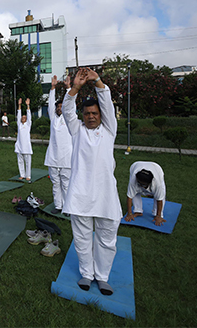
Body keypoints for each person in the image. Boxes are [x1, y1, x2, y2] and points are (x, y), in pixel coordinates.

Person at [62, 67, 122, 296]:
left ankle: (103, 277)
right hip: (81, 195)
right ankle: (87, 273)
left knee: (108, 239)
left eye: (94, 113)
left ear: (100, 114)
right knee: (82, 237)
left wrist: (96, 80)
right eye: (87, 113)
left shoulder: (109, 131)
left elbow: (107, 103)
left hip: (106, 194)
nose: (91, 116)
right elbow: (68, 110)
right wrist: (75, 87)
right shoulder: (77, 131)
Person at [44, 75, 73, 214]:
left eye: (62, 107)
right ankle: (58, 206)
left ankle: (67, 207)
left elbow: (70, 106)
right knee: (55, 183)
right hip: (53, 157)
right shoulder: (53, 119)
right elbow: (50, 105)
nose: (60, 108)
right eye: (58, 107)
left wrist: (68, 88)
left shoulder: (68, 119)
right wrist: (53, 88)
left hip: (67, 157)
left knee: (66, 184)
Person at [125, 161, 167, 226]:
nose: (141, 186)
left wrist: (158, 216)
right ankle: (138, 211)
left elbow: (159, 199)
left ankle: (158, 214)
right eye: (139, 183)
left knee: (160, 194)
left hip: (156, 167)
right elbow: (129, 197)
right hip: (136, 165)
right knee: (134, 192)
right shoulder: (134, 180)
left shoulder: (157, 183)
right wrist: (129, 214)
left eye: (143, 184)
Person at [14, 98, 32, 182]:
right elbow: (18, 115)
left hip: (27, 147)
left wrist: (28, 105)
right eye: (22, 117)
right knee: (20, 161)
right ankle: (22, 174)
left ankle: (28, 175)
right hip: (19, 146)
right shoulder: (19, 125)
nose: (23, 118)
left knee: (28, 162)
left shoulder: (28, 125)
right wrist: (19, 105)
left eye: (24, 117)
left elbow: (29, 115)